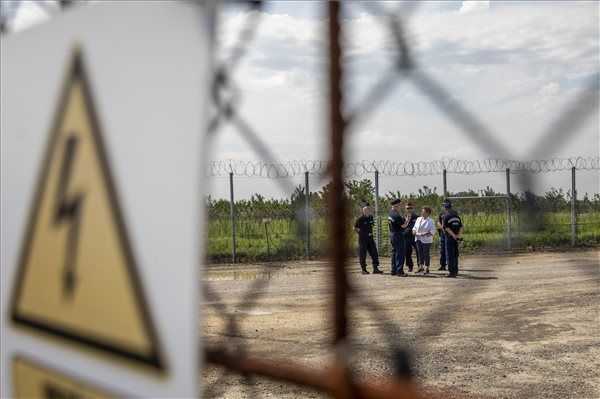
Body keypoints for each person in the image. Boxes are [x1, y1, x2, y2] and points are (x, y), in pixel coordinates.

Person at [354, 205, 382, 275]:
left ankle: (375, 268)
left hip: (370, 238)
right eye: (365, 210)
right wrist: (361, 233)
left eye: (368, 210)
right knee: (363, 254)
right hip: (363, 240)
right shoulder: (360, 219)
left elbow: (371, 225)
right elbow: (355, 228)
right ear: (363, 211)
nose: (367, 211)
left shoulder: (371, 217)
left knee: (374, 253)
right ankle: (364, 270)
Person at [388, 199, 411, 276]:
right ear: (396, 205)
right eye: (399, 205)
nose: (400, 207)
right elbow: (403, 226)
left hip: (392, 234)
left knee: (394, 253)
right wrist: (407, 220)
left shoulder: (390, 213)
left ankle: (393, 270)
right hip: (398, 235)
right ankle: (399, 271)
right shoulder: (396, 215)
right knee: (400, 253)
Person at [442, 200, 463, 277]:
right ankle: (456, 270)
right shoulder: (456, 216)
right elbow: (461, 227)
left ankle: (452, 272)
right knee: (455, 255)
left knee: (449, 255)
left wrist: (453, 235)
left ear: (445, 207)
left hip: (449, 237)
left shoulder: (446, 216)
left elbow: (446, 228)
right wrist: (458, 236)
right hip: (456, 238)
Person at [412, 206, 435, 274]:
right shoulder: (418, 219)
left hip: (426, 240)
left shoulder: (431, 221)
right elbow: (415, 227)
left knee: (426, 254)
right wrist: (413, 231)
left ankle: (427, 267)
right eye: (422, 211)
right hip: (418, 239)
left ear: (428, 213)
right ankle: (421, 267)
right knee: (419, 253)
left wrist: (424, 234)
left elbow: (432, 231)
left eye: (423, 212)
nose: (422, 213)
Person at [404, 202, 419, 272]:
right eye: (407, 208)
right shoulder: (403, 217)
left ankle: (420, 266)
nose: (409, 209)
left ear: (413, 208)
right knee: (407, 252)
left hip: (415, 237)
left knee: (418, 251)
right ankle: (410, 266)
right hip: (406, 237)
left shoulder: (417, 217)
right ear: (405, 209)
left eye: (410, 208)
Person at [436, 205, 448, 271]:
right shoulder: (441, 214)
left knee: (448, 251)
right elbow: (438, 222)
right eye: (443, 206)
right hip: (442, 235)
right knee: (442, 251)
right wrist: (441, 227)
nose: (443, 207)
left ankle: (450, 265)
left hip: (449, 235)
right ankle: (442, 265)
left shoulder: (451, 214)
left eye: (444, 205)